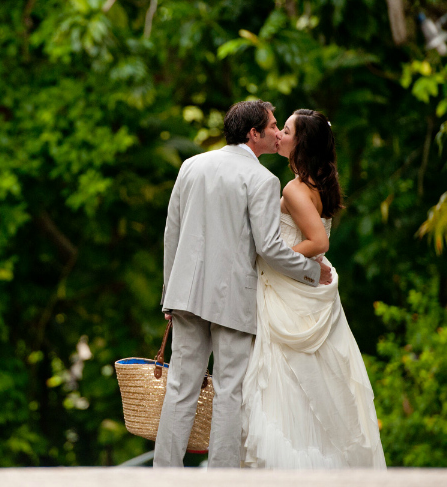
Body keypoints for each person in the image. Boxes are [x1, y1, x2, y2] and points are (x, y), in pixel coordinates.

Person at [154, 100, 332, 468]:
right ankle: (222, 478)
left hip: (185, 295)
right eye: (271, 126)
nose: (277, 132)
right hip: (232, 301)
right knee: (228, 393)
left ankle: (163, 475)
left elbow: (171, 232)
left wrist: (168, 296)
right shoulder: (262, 180)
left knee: (180, 390)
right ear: (253, 134)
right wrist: (313, 273)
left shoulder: (191, 165)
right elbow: (268, 248)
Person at [240, 109, 386, 469]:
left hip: (292, 291)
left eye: (284, 129)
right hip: (302, 290)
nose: (278, 134)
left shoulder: (294, 187)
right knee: (315, 382)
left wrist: (275, 256)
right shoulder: (311, 183)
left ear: (298, 142)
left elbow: (318, 241)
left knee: (287, 380)